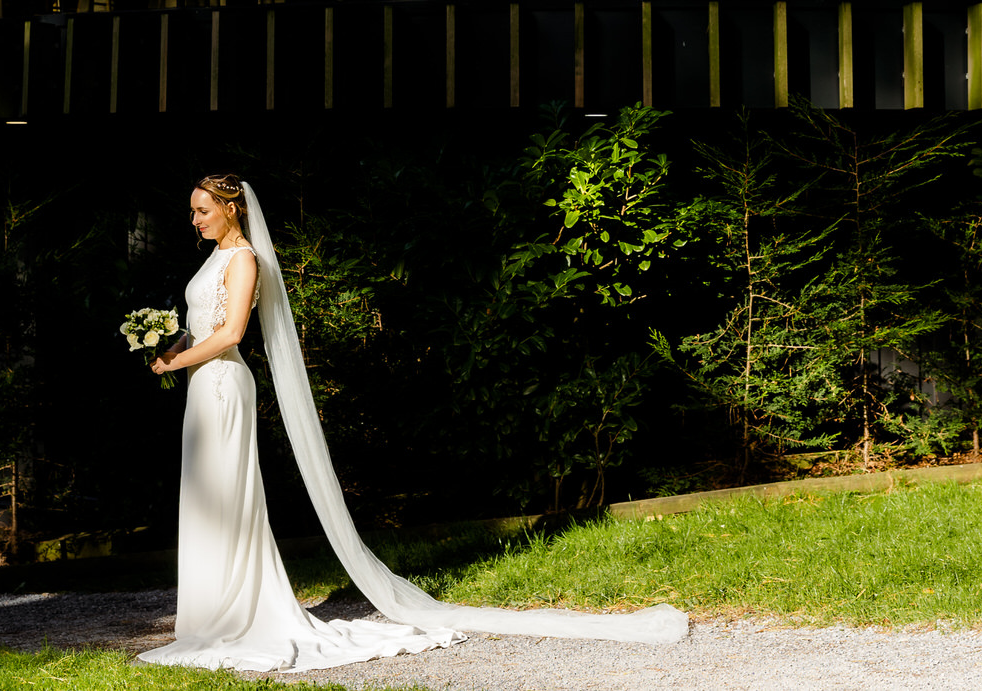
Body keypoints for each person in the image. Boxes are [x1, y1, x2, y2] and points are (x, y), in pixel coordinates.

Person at [137, 173, 686, 674]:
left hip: (224, 385)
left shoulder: (245, 260)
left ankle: (239, 612)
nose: (194, 219)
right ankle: (208, 615)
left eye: (202, 210)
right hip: (200, 389)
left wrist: (179, 360)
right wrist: (164, 346)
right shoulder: (210, 259)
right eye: (193, 211)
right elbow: (199, 326)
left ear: (232, 208)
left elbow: (231, 333)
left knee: (231, 499)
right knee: (204, 499)